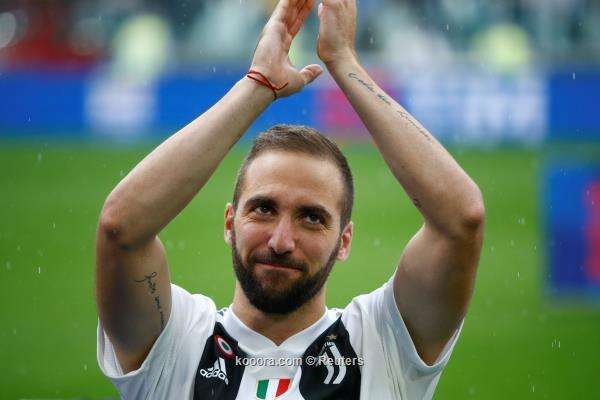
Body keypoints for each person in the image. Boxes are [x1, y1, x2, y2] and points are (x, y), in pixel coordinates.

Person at [95, 0, 485, 398]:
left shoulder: (381, 346)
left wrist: (345, 63)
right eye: (264, 209)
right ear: (230, 223)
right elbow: (121, 227)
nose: (281, 241)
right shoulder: (177, 343)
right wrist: (256, 86)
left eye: (312, 218)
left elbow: (461, 220)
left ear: (344, 240)